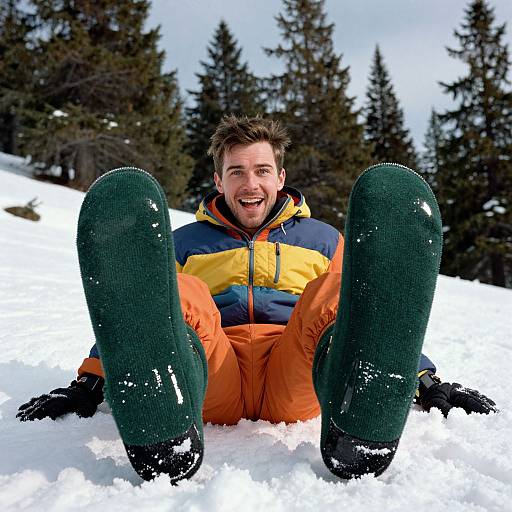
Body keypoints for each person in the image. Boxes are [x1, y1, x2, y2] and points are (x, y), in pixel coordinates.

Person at [17, 115, 497, 482]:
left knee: (334, 291)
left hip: (294, 373)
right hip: (210, 377)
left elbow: (372, 315)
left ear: (280, 176)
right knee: (179, 291)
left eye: (262, 170)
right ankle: (163, 431)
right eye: (237, 171)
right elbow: (140, 316)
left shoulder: (324, 239)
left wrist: (423, 376)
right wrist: (89, 383)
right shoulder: (184, 243)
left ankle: (362, 423)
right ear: (218, 181)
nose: (251, 184)